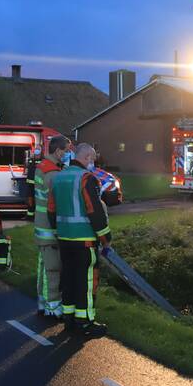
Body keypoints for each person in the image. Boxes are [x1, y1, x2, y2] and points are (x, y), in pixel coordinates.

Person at [47, 143, 110, 337]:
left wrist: (58, 231)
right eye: (93, 159)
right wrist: (106, 238)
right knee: (86, 281)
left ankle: (69, 318)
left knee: (68, 279)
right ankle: (85, 322)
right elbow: (95, 211)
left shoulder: (58, 177)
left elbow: (51, 210)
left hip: (64, 239)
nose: (94, 163)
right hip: (85, 240)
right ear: (88, 158)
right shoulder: (86, 178)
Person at [32, 135, 70, 318]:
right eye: (66, 150)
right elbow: (57, 202)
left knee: (43, 267)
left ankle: (42, 302)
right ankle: (53, 307)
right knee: (53, 268)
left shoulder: (43, 167)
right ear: (58, 151)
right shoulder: (52, 173)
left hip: (41, 226)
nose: (67, 154)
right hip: (49, 228)